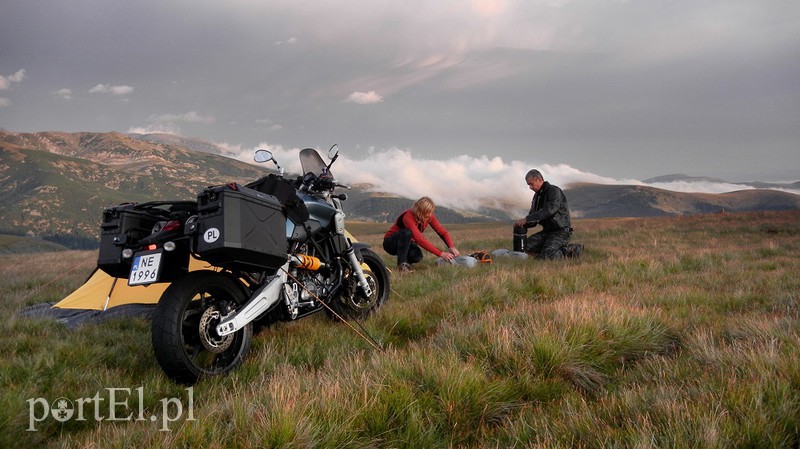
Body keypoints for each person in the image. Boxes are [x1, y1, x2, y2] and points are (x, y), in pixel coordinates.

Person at [513, 169, 581, 259]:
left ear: (539, 179)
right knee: (523, 250)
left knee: (546, 257)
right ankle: (547, 247)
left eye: (531, 184)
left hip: (561, 232)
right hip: (546, 232)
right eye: (528, 185)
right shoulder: (536, 197)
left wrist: (527, 219)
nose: (530, 187)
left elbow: (550, 210)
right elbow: (533, 219)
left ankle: (573, 249)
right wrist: (523, 224)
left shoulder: (554, 191)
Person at [383, 197, 461, 272]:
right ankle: (402, 265)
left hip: (406, 243)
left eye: (431, 212)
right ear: (420, 211)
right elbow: (419, 239)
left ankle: (406, 264)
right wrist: (441, 254)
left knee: (417, 256)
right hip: (390, 244)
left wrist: (451, 247)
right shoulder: (408, 217)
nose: (430, 215)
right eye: (428, 212)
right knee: (406, 232)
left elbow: (442, 231)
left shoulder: (429, 216)